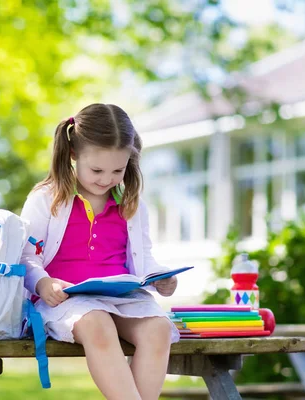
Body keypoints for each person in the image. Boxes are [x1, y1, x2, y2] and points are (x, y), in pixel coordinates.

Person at [20, 103, 180, 400]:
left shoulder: (131, 205)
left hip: (123, 298)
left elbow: (143, 258)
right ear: (73, 155)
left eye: (117, 170)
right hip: (66, 302)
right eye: (96, 170)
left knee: (159, 329)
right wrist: (43, 283)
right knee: (97, 323)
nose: (106, 179)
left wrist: (160, 277)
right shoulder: (46, 199)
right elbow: (26, 256)